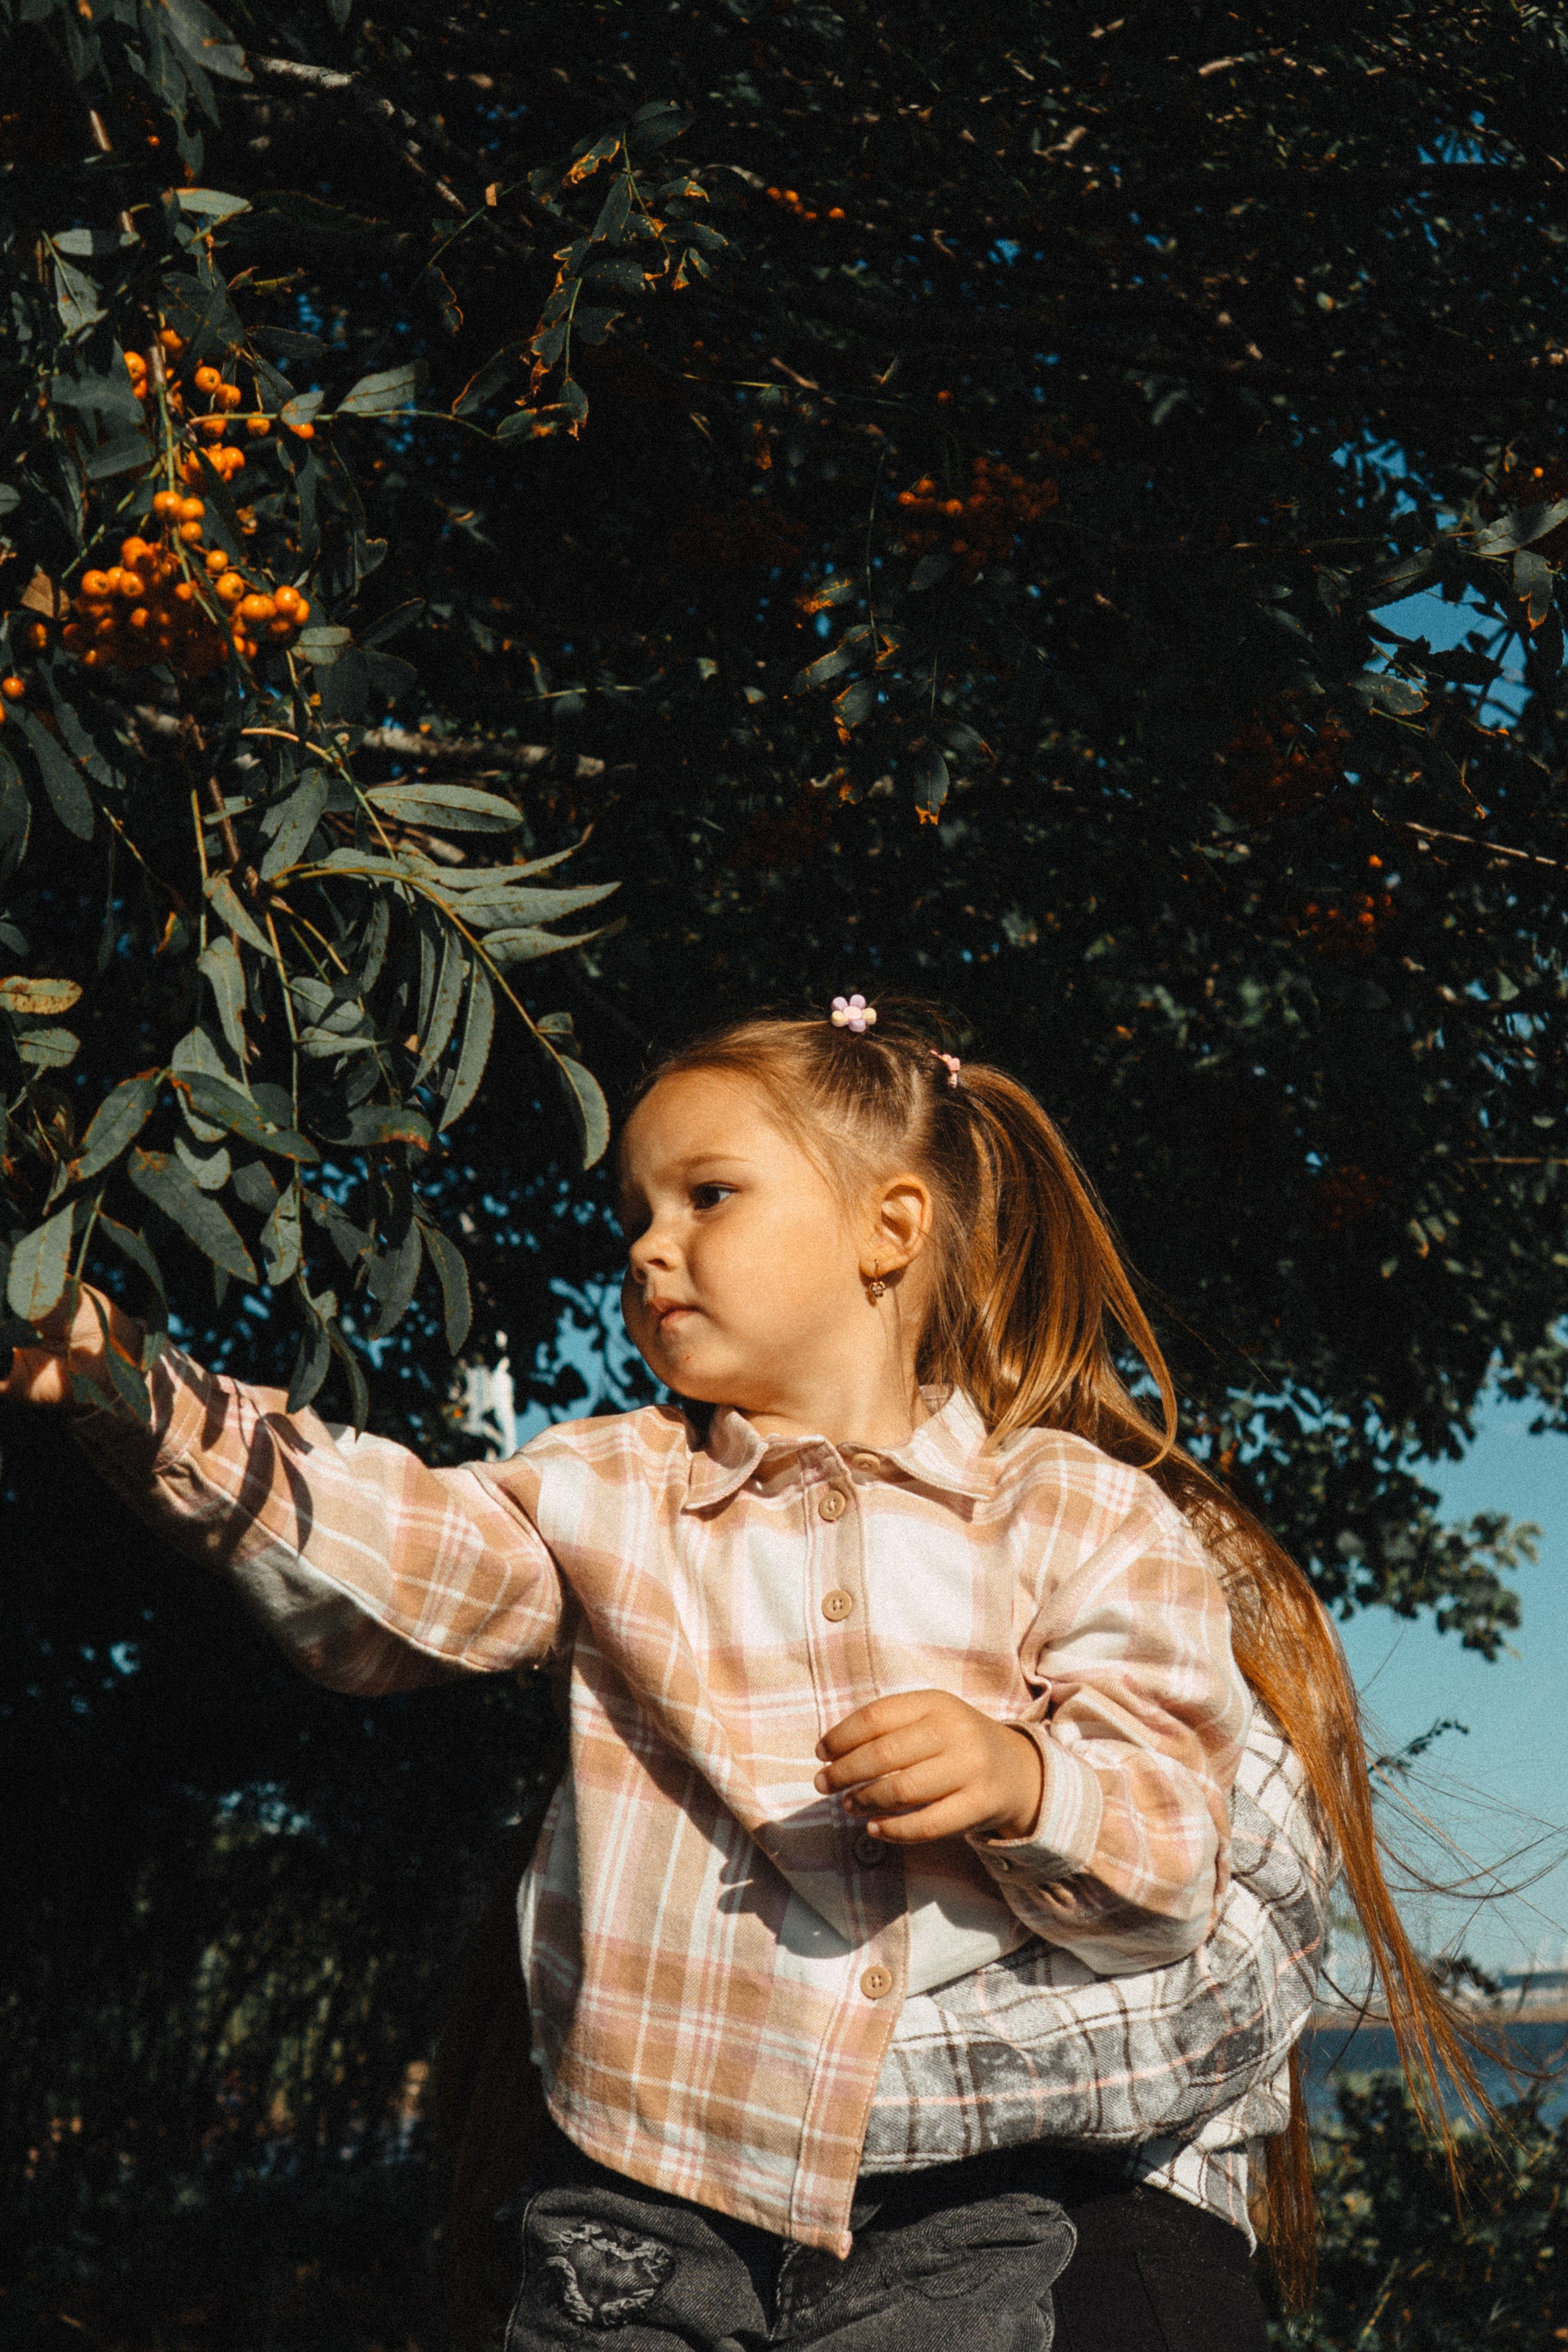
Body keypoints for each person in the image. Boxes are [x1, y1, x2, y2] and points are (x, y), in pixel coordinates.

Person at [2, 998, 1487, 2350]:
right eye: (634, 1214)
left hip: (964, 2227)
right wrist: (143, 1391)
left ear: (888, 1230)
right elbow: (408, 1553)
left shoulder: (1076, 1516)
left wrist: (1028, 1779)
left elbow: (1172, 1855)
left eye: (707, 1196)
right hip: (638, 2208)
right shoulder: (606, 1491)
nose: (647, 1248)